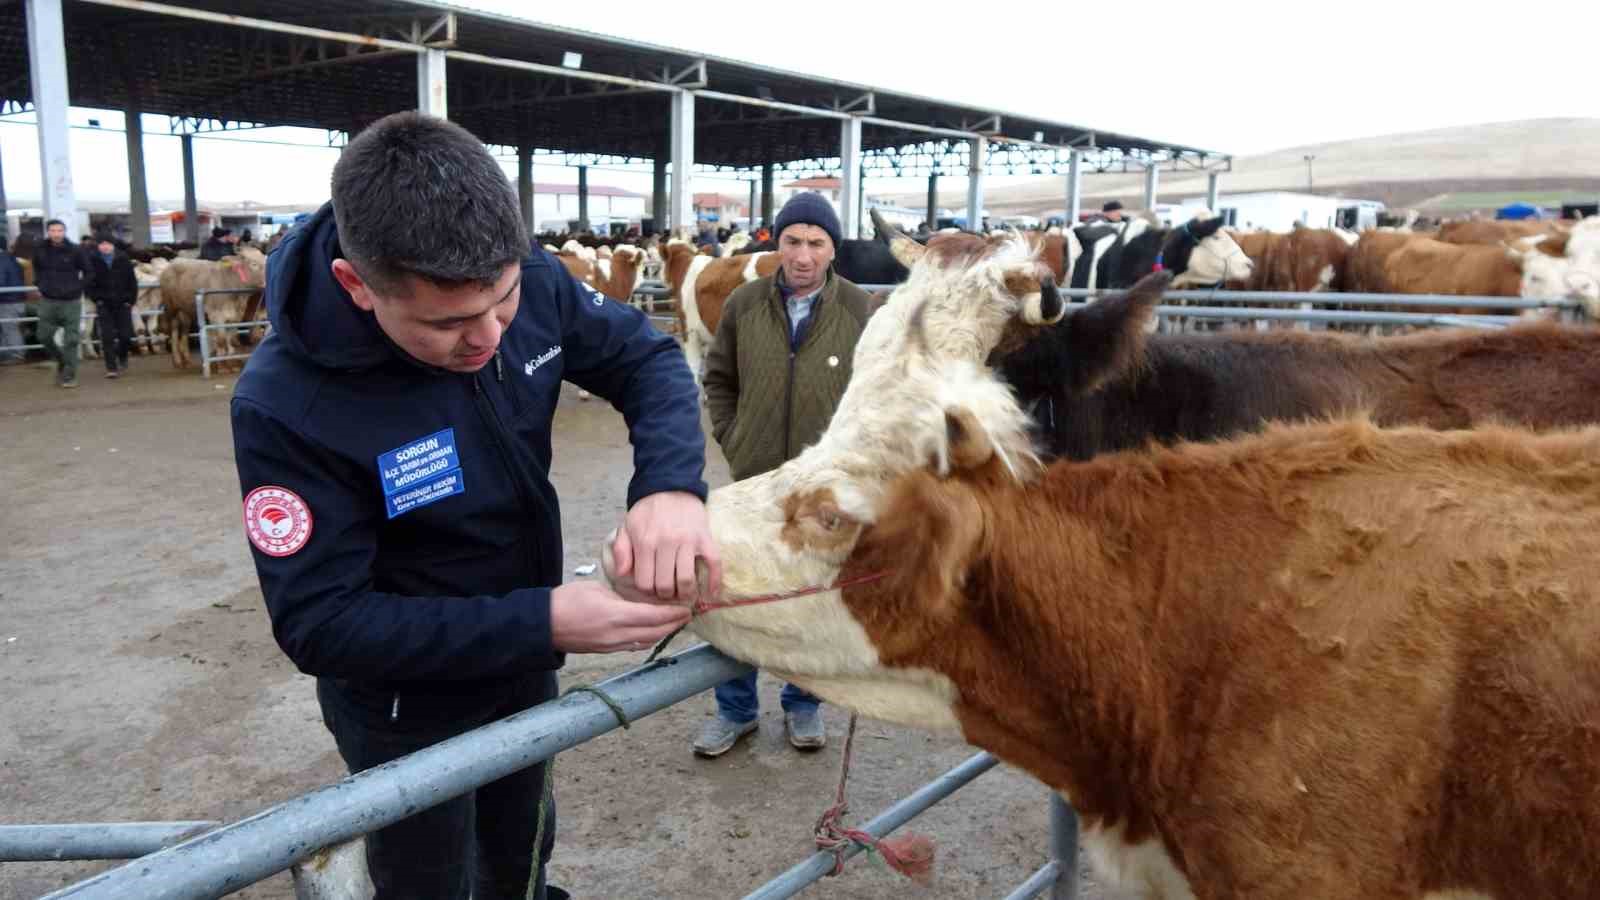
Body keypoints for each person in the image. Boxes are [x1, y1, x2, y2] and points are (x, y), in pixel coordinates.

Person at [230, 112, 716, 900]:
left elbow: (647, 356)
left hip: (523, 662)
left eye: (505, 300)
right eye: (448, 323)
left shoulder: (527, 276)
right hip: (404, 705)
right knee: (429, 875)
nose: (489, 335)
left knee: (523, 848)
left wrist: (668, 487)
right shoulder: (286, 405)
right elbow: (320, 621)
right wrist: (548, 620)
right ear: (357, 286)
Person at [694, 192, 876, 758]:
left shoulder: (860, 309)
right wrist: (734, 435)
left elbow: (875, 395)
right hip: (753, 480)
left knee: (815, 594)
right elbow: (718, 378)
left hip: (825, 487)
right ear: (777, 243)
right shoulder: (745, 303)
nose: (802, 255)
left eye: (815, 243)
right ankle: (736, 711)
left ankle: (803, 705)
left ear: (832, 249)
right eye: (792, 241)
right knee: (737, 590)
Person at [32, 219, 91, 388]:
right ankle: (62, 361)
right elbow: (37, 268)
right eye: (53, 230)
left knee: (71, 339)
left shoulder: (75, 250)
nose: (56, 234)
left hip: (71, 302)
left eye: (59, 230)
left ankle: (69, 376)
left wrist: (78, 287)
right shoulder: (40, 250)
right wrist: (40, 284)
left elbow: (89, 272)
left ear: (64, 232)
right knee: (43, 336)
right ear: (48, 232)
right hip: (48, 300)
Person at [86, 234, 138, 377]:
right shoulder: (93, 261)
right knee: (107, 336)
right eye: (102, 244)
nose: (105, 246)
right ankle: (111, 367)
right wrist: (97, 299)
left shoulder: (124, 259)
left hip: (123, 303)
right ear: (98, 245)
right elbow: (89, 282)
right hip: (104, 304)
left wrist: (130, 300)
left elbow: (132, 282)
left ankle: (122, 355)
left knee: (125, 335)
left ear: (113, 245)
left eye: (108, 243)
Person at [0, 243, 25, 364]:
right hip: (17, 299)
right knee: (7, 328)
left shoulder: (1, 260)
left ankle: (17, 354)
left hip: (7, 300)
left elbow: (1, 281)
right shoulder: (11, 259)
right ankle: (6, 355)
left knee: (9, 328)